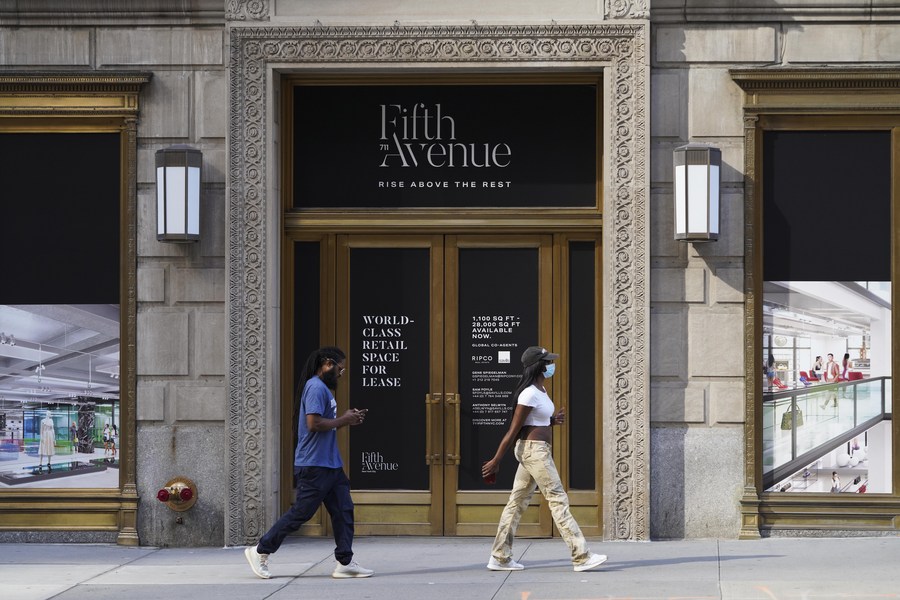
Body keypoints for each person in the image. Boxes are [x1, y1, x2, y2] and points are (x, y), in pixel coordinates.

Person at [245, 346, 373, 580]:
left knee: (343, 511)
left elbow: (325, 424)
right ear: (327, 364)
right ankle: (260, 550)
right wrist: (344, 419)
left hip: (331, 465)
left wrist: (347, 419)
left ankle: (345, 562)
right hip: (314, 465)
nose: (341, 374)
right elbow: (313, 424)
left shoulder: (322, 389)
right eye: (340, 369)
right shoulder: (315, 387)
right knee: (301, 513)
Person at [481, 346, 607, 573]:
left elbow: (534, 422)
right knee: (557, 499)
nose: (551, 365)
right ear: (538, 366)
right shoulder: (528, 393)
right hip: (534, 452)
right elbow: (514, 430)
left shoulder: (541, 390)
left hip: (536, 450)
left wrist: (551, 422)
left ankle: (500, 557)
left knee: (516, 503)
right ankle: (581, 556)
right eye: (548, 362)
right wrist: (496, 460)